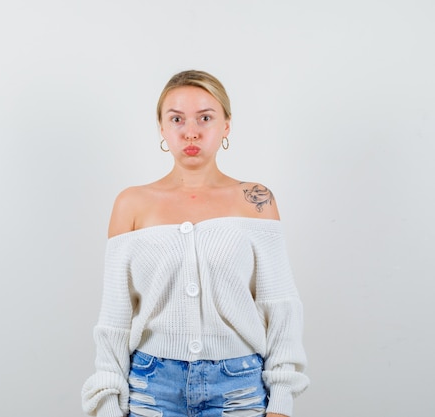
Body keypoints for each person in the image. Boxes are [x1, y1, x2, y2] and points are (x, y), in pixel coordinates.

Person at [81, 70, 309, 417]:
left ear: (227, 125)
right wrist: (109, 405)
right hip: (150, 388)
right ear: (161, 127)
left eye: (206, 117)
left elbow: (280, 306)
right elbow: (115, 318)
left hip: (239, 389)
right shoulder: (131, 204)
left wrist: (281, 400)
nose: (191, 131)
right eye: (176, 119)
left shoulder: (255, 199)